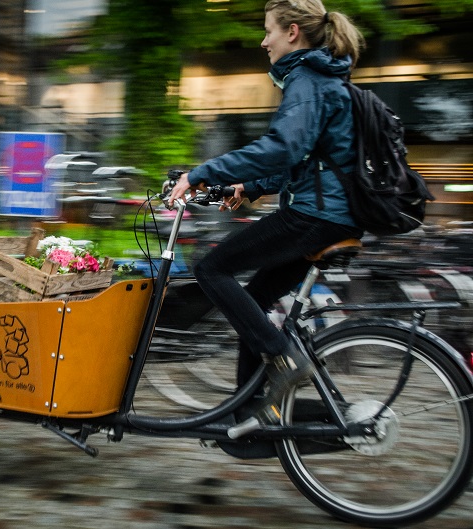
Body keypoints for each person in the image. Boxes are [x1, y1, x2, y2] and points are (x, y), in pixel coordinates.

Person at [168, 0, 365, 427]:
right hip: (330, 214)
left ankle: (282, 358)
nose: (263, 41)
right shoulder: (325, 77)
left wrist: (202, 172)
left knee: (212, 269)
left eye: (268, 30)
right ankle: (248, 413)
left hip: (314, 217)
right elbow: (309, 163)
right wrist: (249, 187)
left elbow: (283, 148)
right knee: (252, 304)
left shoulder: (307, 79)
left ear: (292, 32)